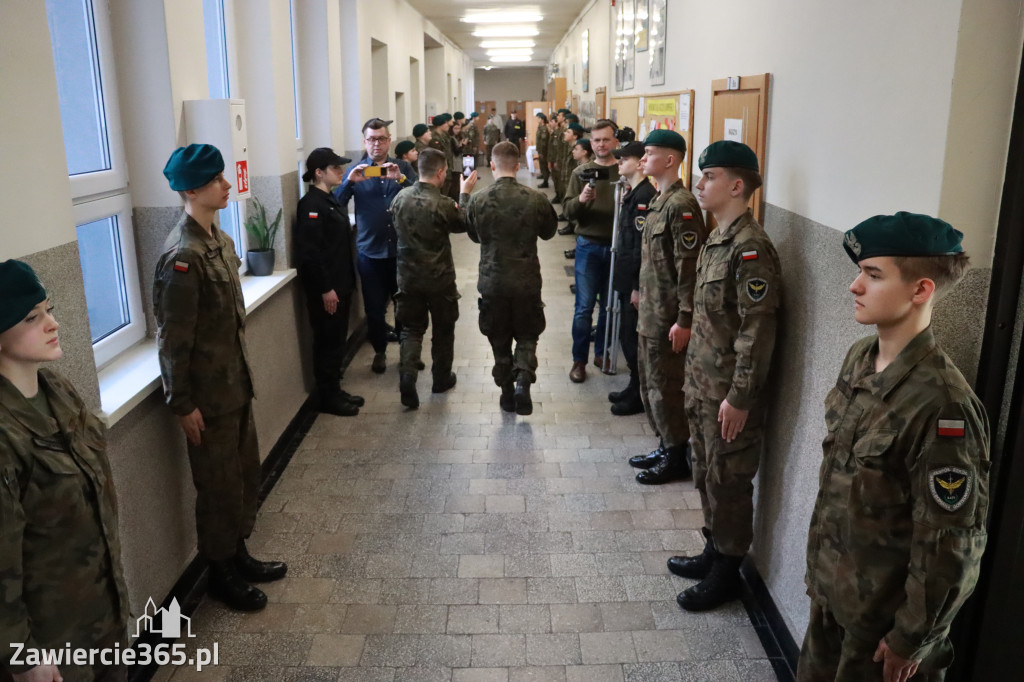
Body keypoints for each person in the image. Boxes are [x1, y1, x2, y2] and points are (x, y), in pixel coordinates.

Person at [798, 213, 989, 682]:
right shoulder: (861, 358)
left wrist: (912, 638)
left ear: (920, 290)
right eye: (860, 271)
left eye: (873, 274)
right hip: (832, 599)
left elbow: (951, 543)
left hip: (882, 635)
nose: (854, 286)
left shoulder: (944, 406)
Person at [154, 143, 287, 612]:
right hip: (206, 399)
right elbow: (173, 338)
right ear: (192, 189)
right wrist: (182, 402)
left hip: (234, 385)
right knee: (217, 488)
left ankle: (238, 552)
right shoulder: (182, 256)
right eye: (216, 180)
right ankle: (219, 572)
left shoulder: (219, 241)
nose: (226, 185)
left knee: (243, 475)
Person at [0, 260, 130, 682]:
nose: (52, 324)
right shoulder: (5, 434)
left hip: (102, 611)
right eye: (31, 318)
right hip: (53, 641)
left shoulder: (56, 388)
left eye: (49, 310)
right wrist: (22, 657)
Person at [669, 140, 780, 611]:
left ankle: (728, 571)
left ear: (737, 186)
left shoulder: (751, 249)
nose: (699, 183)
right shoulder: (718, 237)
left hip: (728, 396)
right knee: (706, 474)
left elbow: (757, 330)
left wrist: (739, 398)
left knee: (729, 483)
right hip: (701, 385)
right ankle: (713, 550)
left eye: (709, 176)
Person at [626, 130, 707, 485]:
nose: (643, 159)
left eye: (649, 153)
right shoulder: (660, 200)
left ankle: (676, 455)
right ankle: (665, 444)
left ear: (670, 160)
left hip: (669, 317)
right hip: (651, 312)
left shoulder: (682, 205)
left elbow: (688, 269)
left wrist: (685, 318)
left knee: (666, 387)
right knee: (650, 385)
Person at [466, 141, 558, 415]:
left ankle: (507, 393)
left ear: (492, 165)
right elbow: (549, 232)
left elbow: (473, 235)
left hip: (493, 282)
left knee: (499, 339)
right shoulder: (536, 198)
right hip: (527, 281)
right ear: (518, 166)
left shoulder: (478, 200)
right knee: (528, 335)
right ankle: (523, 383)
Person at [389, 148, 478, 409]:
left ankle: (408, 375)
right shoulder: (442, 203)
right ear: (440, 173)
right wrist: (464, 194)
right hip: (439, 278)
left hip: (408, 277)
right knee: (443, 328)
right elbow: (463, 224)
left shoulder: (400, 198)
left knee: (411, 329)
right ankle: (440, 379)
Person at [334, 118, 414, 374]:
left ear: (389, 140)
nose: (376, 144)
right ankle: (380, 350)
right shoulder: (356, 171)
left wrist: (400, 179)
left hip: (401, 251)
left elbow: (419, 198)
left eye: (381, 139)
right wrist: (349, 183)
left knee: (404, 306)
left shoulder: (403, 167)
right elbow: (335, 205)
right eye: (371, 139)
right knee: (374, 310)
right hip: (370, 253)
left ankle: (406, 352)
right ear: (364, 141)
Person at [295, 147, 363, 417]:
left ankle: (335, 390)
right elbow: (311, 253)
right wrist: (325, 289)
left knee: (336, 342)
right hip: (328, 289)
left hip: (340, 284)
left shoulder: (330, 200)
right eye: (336, 169)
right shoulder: (311, 205)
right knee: (327, 343)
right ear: (319, 173)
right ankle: (327, 397)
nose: (342, 172)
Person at [562, 120, 620, 383]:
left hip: (617, 248)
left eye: (606, 139)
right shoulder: (581, 172)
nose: (600, 145)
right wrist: (581, 200)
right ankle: (579, 360)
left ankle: (602, 353)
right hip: (588, 246)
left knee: (609, 306)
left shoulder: (625, 171)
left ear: (615, 141)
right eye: (596, 140)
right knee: (584, 307)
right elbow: (567, 211)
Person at [606, 140, 657, 417]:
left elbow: (641, 247)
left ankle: (639, 393)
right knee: (627, 337)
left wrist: (638, 288)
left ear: (638, 163)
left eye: (623, 159)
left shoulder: (644, 196)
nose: (618, 163)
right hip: (626, 278)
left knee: (631, 339)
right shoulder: (632, 192)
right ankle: (633, 385)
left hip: (634, 283)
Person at [535, 112, 550, 188]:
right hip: (540, 150)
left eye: (538, 118)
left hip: (543, 151)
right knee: (542, 165)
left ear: (542, 119)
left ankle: (545, 181)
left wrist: (542, 152)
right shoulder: (540, 127)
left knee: (544, 166)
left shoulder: (544, 128)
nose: (537, 119)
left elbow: (544, 142)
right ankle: (543, 176)